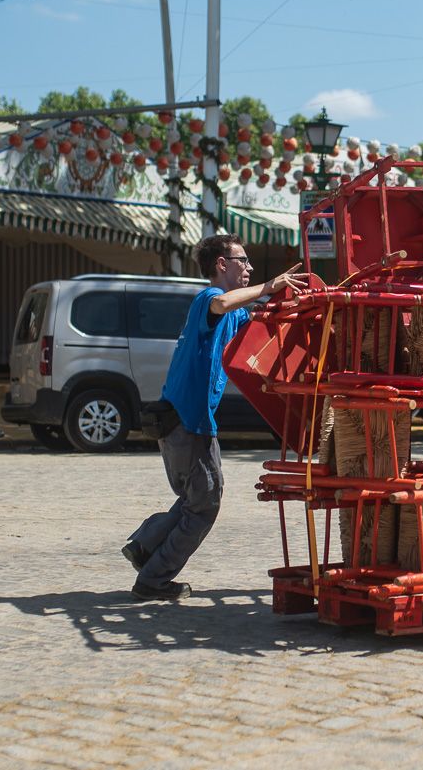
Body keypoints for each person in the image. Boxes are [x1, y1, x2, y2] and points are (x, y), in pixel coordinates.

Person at [123, 235, 303, 601]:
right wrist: (269, 286)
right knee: (206, 503)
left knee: (197, 497)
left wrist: (288, 303)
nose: (250, 268)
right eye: (244, 260)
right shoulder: (208, 298)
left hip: (184, 420)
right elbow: (222, 301)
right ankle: (153, 580)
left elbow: (258, 327)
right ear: (222, 264)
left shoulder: (233, 312)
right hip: (188, 422)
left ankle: (145, 545)